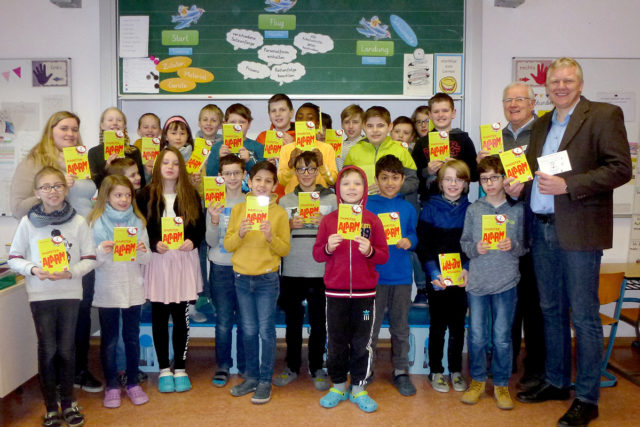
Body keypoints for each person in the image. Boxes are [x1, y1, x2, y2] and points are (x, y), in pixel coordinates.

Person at [506, 57, 632, 427]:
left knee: (584, 316)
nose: (560, 86)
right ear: (546, 87)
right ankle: (557, 382)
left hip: (579, 229)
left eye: (568, 80)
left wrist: (569, 185)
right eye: (555, 81)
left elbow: (621, 168)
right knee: (550, 311)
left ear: (579, 83)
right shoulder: (544, 122)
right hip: (542, 227)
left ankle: (588, 398)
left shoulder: (604, 115)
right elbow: (533, 170)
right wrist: (519, 184)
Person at [9, 110, 103, 393]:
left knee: (82, 312)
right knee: (55, 324)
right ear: (51, 130)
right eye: (64, 128)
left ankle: (79, 371)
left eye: (75, 129)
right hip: (51, 249)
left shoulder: (81, 158)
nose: (70, 134)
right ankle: (56, 382)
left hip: (82, 245)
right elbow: (17, 207)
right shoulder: (35, 161)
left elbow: (90, 197)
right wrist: (56, 187)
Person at [8, 166, 96, 427]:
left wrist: (70, 274)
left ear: (66, 189)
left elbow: (90, 258)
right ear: (37, 193)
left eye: (57, 186)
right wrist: (34, 269)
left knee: (67, 350)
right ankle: (50, 407)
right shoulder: (27, 223)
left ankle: (68, 403)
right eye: (45, 187)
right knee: (47, 350)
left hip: (69, 293)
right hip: (40, 294)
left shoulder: (78, 222)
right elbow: (14, 258)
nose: (52, 191)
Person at [312, 165, 389, 413]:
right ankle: (337, 385)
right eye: (346, 183)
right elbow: (317, 254)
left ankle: (358, 386)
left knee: (362, 341)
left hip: (365, 298)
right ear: (338, 189)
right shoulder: (329, 221)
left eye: (357, 183)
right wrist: (328, 248)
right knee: (335, 340)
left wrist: (369, 251)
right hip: (335, 294)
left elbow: (383, 256)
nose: (352, 188)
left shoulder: (372, 220)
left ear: (365, 189)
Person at [488, 82, 546, 390]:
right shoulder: (497, 137)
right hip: (502, 224)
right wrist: (485, 162)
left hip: (534, 225)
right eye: (508, 99)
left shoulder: (545, 130)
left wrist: (527, 186)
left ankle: (535, 367)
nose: (513, 104)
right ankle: (505, 362)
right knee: (505, 298)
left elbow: (558, 174)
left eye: (520, 99)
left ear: (533, 101)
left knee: (534, 302)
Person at [136, 147, 205, 393]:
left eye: (175, 163)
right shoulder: (144, 195)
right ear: (157, 166)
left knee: (180, 317)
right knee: (159, 316)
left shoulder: (190, 194)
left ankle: (181, 367)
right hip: (159, 262)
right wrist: (154, 243)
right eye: (165, 162)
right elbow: (141, 227)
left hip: (183, 260)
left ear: (181, 168)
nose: (170, 167)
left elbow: (199, 226)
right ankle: (164, 368)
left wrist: (192, 241)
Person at [459, 156, 526, 410]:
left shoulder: (517, 210)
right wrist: (476, 248)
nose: (489, 183)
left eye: (494, 178)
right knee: (476, 336)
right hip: (477, 283)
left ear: (504, 178)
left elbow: (525, 246)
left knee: (502, 338)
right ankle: (477, 381)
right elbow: (464, 243)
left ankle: (500, 384)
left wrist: (514, 245)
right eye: (484, 179)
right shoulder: (474, 209)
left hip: (506, 283)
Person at [224, 161, 290, 404]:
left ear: (274, 186)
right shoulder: (239, 210)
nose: (262, 184)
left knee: (266, 331)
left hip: (267, 279)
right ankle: (251, 377)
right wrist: (240, 234)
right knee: (248, 330)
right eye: (258, 180)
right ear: (248, 182)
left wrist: (271, 236)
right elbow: (229, 245)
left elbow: (284, 249)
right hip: (241, 277)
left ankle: (264, 380)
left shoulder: (279, 213)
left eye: (268, 181)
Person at [87, 175, 151, 408]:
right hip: (108, 291)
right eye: (118, 195)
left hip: (133, 288)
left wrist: (142, 250)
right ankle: (112, 385)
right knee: (110, 340)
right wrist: (102, 251)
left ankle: (133, 382)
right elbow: (91, 261)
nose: (123, 199)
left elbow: (147, 258)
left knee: (132, 339)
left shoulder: (138, 222)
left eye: (127, 195)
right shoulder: (96, 223)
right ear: (107, 197)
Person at [275, 151, 337, 390]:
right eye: (301, 169)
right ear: (295, 172)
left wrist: (326, 225)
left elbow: (339, 235)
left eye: (311, 169)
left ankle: (316, 367)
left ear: (318, 170)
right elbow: (279, 238)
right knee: (293, 322)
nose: (307, 174)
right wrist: (289, 225)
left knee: (319, 322)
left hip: (321, 270)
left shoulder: (330, 199)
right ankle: (291, 366)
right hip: (292, 269)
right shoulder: (285, 201)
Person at [416, 159, 471, 394]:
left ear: (466, 184)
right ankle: (436, 370)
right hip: (436, 276)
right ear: (440, 183)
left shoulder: (472, 209)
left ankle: (456, 370)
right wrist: (433, 273)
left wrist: (467, 268)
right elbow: (423, 245)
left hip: (461, 276)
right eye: (447, 179)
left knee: (458, 325)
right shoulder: (429, 207)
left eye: (458, 179)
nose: (453, 184)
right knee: (438, 324)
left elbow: (471, 246)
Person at [366, 155, 418, 397]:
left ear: (402, 179)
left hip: (401, 278)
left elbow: (413, 235)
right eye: (384, 178)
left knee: (400, 327)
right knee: (370, 328)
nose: (389, 183)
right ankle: (366, 369)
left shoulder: (407, 207)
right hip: (373, 277)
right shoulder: (367, 205)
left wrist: (409, 241)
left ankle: (401, 371)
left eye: (394, 178)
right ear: (376, 179)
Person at [205, 154, 247, 387]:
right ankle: (223, 365)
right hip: (220, 267)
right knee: (223, 320)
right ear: (220, 176)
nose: (232, 177)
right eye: (227, 173)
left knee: (244, 319)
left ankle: (243, 364)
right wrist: (213, 220)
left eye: (236, 173)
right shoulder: (214, 202)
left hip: (245, 267)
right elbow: (210, 241)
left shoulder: (252, 202)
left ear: (244, 175)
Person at [412, 93, 477, 202]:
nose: (440, 115)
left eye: (445, 111)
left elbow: (475, 175)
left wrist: (458, 168)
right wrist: (427, 171)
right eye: (436, 111)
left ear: (453, 113)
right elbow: (413, 176)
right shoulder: (421, 143)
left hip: (458, 203)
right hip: (429, 203)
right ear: (430, 115)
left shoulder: (464, 139)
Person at [344, 106, 418, 196]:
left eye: (380, 125)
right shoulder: (354, 151)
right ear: (363, 126)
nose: (375, 130)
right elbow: (345, 181)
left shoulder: (401, 151)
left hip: (391, 205)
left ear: (390, 127)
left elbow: (413, 182)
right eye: (370, 126)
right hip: (362, 205)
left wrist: (389, 188)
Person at [278, 102, 338, 194]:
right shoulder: (286, 149)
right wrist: (291, 165)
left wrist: (321, 165)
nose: (304, 122)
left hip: (320, 199)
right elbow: (282, 181)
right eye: (300, 118)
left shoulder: (327, 148)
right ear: (295, 123)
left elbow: (333, 181)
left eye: (310, 118)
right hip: (293, 201)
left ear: (317, 124)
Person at [88, 107, 145, 190]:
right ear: (102, 125)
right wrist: (107, 168)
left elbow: (141, 183)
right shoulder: (94, 152)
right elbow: (95, 185)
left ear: (124, 125)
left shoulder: (134, 151)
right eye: (110, 120)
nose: (115, 123)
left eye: (119, 120)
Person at [206, 103, 265, 177]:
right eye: (232, 122)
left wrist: (248, 161)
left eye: (242, 122)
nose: (237, 126)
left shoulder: (258, 147)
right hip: (225, 188)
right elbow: (210, 175)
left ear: (249, 124)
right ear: (225, 124)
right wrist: (219, 158)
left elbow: (262, 176)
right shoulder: (216, 148)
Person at [132, 112, 162, 180]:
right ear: (139, 131)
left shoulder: (163, 146)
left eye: (154, 127)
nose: (150, 130)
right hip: (141, 180)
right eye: (146, 127)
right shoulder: (136, 146)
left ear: (160, 131)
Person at [338, 104, 365, 170]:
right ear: (342, 125)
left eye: (355, 122)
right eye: (347, 122)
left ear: (363, 124)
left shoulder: (367, 145)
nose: (350, 126)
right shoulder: (338, 147)